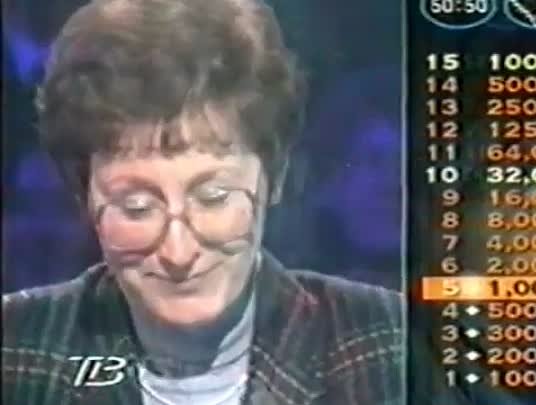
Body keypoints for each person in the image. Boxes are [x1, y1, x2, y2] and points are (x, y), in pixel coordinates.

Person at [1, 1, 403, 404]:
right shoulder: (14, 347)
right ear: (84, 196)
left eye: (213, 198)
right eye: (137, 208)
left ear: (275, 177)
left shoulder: (390, 341)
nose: (178, 254)